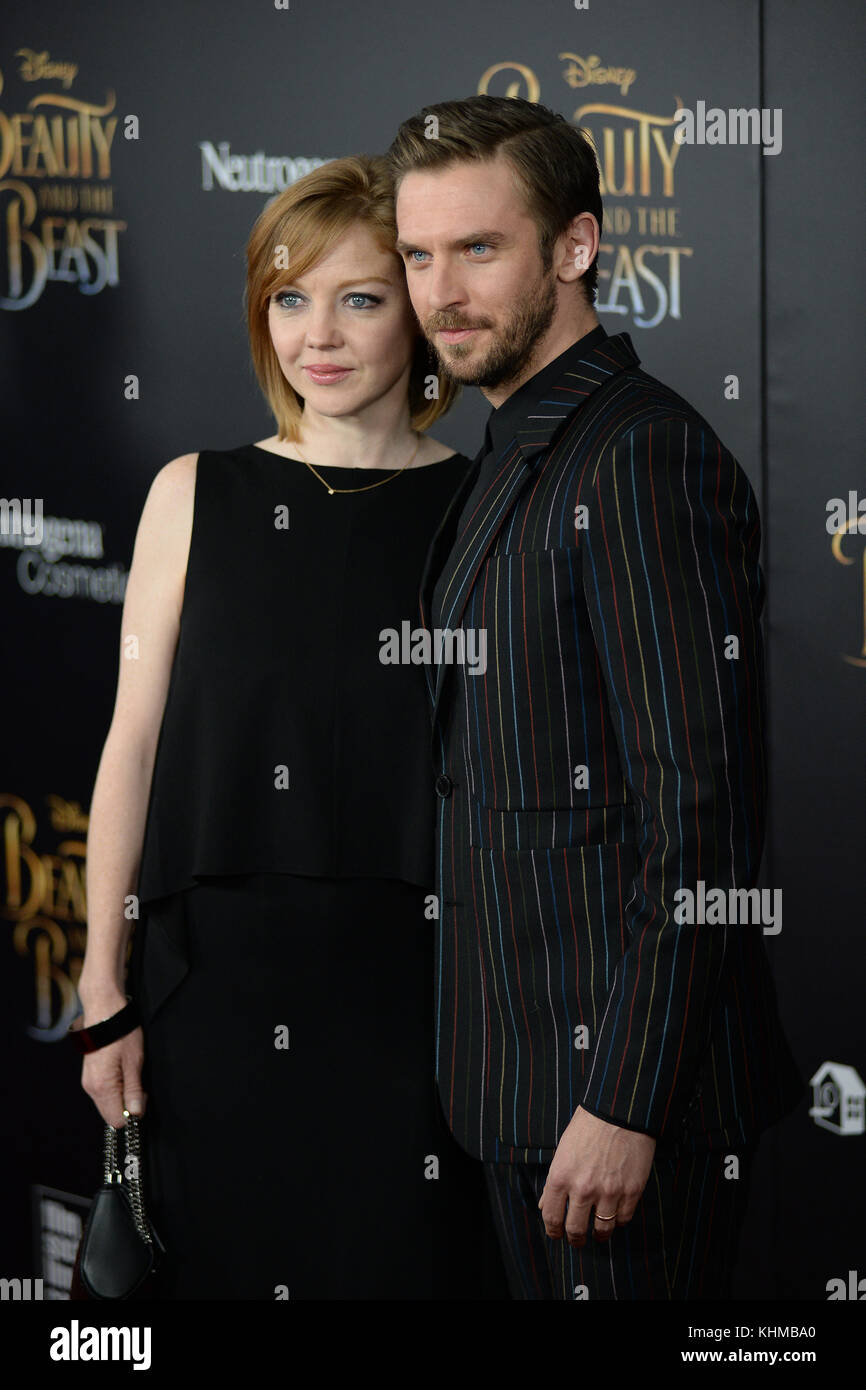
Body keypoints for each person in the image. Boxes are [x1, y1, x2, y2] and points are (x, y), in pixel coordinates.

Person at [385, 95, 806, 1300]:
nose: (439, 292)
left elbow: (702, 816)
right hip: (513, 1093)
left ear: (573, 248)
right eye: (417, 255)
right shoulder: (518, 443)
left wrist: (623, 1098)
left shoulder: (634, 455)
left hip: (619, 1116)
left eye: (478, 249)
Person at [73, 154, 509, 1300]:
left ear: (415, 320)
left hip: (408, 1004)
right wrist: (102, 990)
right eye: (289, 297)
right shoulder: (190, 492)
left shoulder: (476, 508)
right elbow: (132, 746)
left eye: (359, 296)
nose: (318, 332)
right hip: (206, 989)